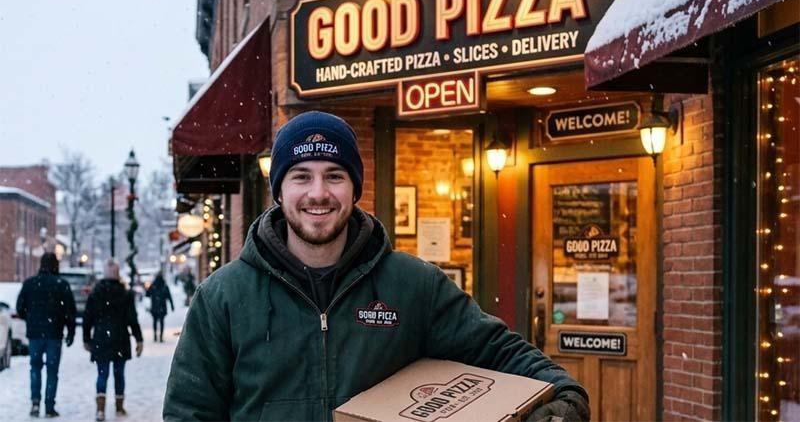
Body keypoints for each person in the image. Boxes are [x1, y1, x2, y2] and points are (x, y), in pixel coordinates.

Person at [164, 111, 590, 421]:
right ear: (279, 190)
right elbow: (189, 413)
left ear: (354, 190)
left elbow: (498, 351)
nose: (318, 193)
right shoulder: (223, 297)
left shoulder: (411, 285)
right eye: (301, 176)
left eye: (334, 175)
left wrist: (565, 394)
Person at [16, 252, 76, 418]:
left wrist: (31, 318)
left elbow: (20, 308)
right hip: (54, 334)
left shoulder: (30, 284)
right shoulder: (61, 285)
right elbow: (70, 312)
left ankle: (35, 402)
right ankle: (49, 406)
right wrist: (70, 331)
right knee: (52, 370)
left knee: (35, 367)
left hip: (35, 334)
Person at [83, 259, 144, 422]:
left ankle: (100, 409)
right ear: (118, 275)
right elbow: (132, 319)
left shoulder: (96, 294)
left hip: (101, 339)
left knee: (102, 374)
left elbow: (87, 319)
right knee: (119, 374)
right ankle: (119, 407)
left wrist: (86, 339)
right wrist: (139, 339)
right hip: (120, 339)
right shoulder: (125, 294)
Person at [145, 272, 174, 342]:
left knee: (155, 321)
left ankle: (155, 335)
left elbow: (147, 295)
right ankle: (160, 336)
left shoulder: (153, 286)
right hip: (162, 307)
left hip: (155, 306)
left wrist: (147, 288)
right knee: (161, 321)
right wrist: (172, 306)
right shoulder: (164, 286)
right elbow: (169, 297)